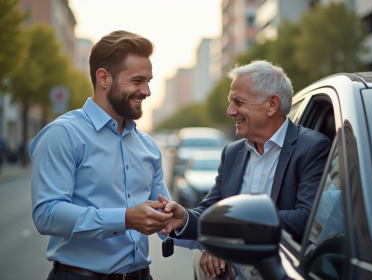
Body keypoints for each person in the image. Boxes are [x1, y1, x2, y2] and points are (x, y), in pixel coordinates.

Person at [30, 30, 200, 280]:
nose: (147, 91)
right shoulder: (63, 134)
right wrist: (125, 218)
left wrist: (179, 220)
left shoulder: (148, 146)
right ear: (103, 78)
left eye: (149, 81)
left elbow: (162, 215)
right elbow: (47, 214)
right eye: (137, 80)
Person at [160, 61, 332, 279]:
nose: (230, 111)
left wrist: (230, 231)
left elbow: (307, 219)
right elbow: (212, 211)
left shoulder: (312, 148)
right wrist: (184, 218)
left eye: (238, 102)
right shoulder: (232, 153)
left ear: (272, 104)